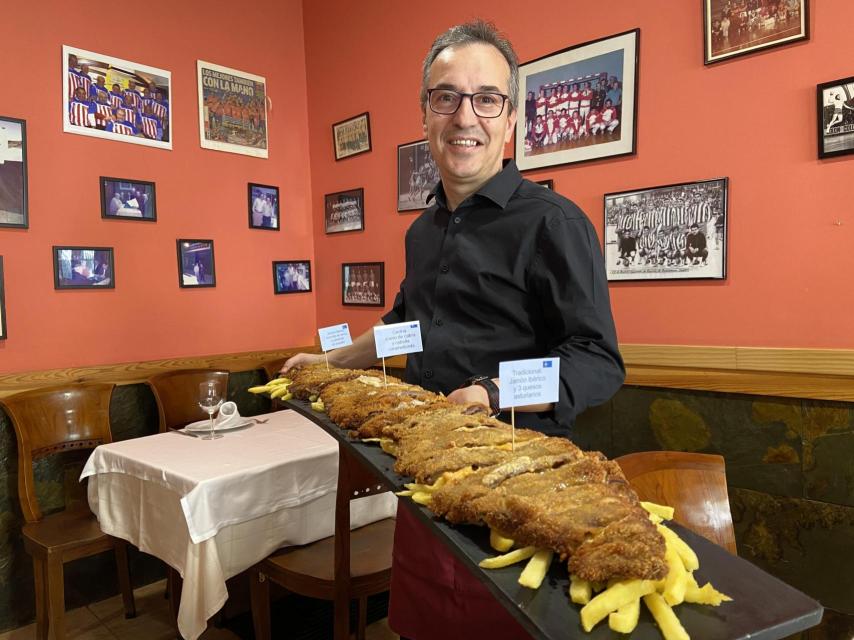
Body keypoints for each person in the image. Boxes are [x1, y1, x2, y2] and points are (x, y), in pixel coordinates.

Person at [282, 20, 624, 640]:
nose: (466, 116)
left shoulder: (555, 224)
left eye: (486, 98)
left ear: (511, 119)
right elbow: (406, 329)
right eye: (447, 97)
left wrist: (491, 393)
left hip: (521, 493)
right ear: (425, 116)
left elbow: (597, 360)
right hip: (425, 482)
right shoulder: (423, 231)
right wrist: (329, 362)